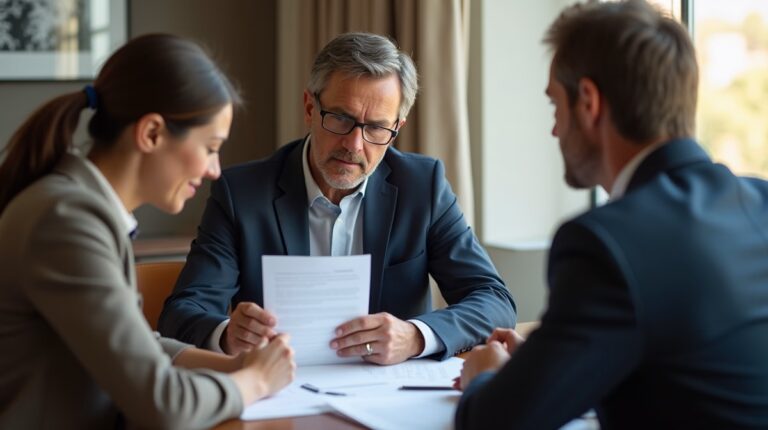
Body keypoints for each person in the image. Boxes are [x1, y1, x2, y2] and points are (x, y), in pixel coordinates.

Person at [455, 0, 768, 428]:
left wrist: (485, 375)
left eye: (555, 107)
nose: (554, 130)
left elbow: (495, 423)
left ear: (588, 102)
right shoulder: (760, 201)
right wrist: (544, 359)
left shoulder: (607, 242)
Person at [159, 32, 516, 365]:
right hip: (281, 393)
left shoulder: (423, 187)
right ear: (310, 109)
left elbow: (492, 299)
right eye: (341, 119)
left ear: (396, 130)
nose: (354, 145)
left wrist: (416, 336)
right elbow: (184, 311)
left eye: (376, 127)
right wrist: (227, 335)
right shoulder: (242, 193)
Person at [0, 34, 295, 429]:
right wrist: (255, 381)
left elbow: (137, 345)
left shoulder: (79, 209)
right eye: (210, 147)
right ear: (152, 133)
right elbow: (163, 406)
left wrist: (234, 365)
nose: (215, 169)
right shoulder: (66, 221)